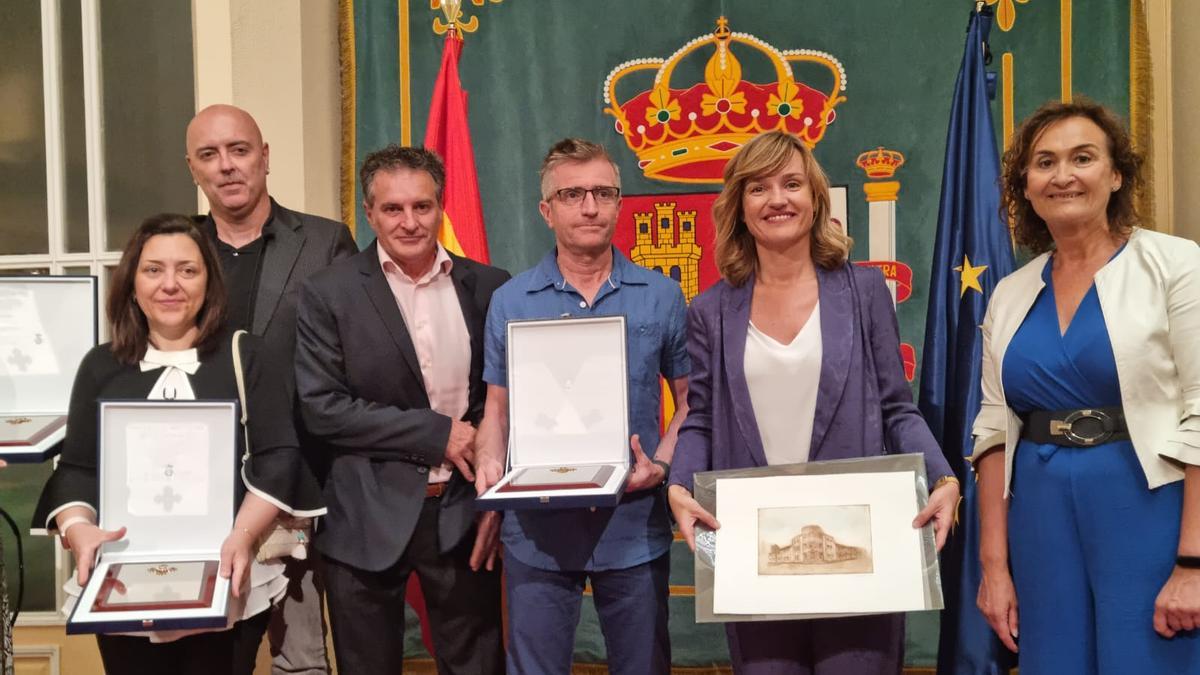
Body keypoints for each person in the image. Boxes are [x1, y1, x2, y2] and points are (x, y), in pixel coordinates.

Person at [664, 130, 960, 674]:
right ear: (739, 206)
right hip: (754, 551)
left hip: (860, 547)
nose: (777, 199)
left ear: (816, 198)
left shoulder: (866, 292)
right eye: (758, 187)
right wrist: (679, 485)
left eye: (791, 183)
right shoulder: (709, 311)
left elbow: (898, 408)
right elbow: (700, 418)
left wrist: (943, 478)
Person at [32, 214, 325, 675]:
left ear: (210, 282)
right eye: (153, 270)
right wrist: (77, 528)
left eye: (188, 270)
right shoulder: (99, 366)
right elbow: (78, 468)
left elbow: (277, 458)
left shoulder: (249, 355)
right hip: (124, 582)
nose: (170, 284)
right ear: (131, 283)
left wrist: (244, 537)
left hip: (228, 575)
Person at [972, 99, 1200, 673]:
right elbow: (994, 429)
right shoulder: (1010, 293)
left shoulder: (1176, 265)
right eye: (1044, 162)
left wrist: (1194, 563)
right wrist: (994, 568)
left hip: (1149, 509)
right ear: (1025, 185)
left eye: (1083, 157)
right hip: (1040, 521)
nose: (1063, 175)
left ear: (1116, 173)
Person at [474, 138, 690, 675]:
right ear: (547, 211)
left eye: (602, 193)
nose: (589, 206)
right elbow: (494, 411)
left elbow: (692, 404)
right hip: (537, 530)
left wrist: (661, 466)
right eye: (572, 194)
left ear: (619, 203)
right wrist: (488, 470)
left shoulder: (662, 296)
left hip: (633, 523)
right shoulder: (511, 300)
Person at [294, 145, 507, 675]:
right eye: (393, 209)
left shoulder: (489, 287)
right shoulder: (328, 293)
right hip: (363, 514)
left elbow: (501, 402)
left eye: (423, 207)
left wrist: (497, 491)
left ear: (440, 207)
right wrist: (438, 435)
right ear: (369, 213)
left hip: (462, 512)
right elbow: (323, 408)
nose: (410, 222)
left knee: (478, 665)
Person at [185, 103, 356, 675]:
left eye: (239, 150)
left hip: (300, 488)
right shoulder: (175, 252)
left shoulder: (326, 242)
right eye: (210, 155)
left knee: (301, 657)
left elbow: (350, 363)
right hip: (197, 487)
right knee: (208, 651)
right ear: (193, 169)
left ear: (265, 158)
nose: (227, 166)